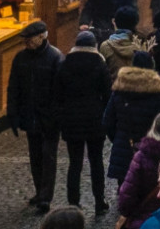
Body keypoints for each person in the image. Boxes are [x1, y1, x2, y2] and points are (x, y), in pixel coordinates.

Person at [53, 27, 116, 215]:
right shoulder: (99, 63)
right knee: (96, 162)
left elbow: (58, 94)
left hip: (72, 121)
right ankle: (99, 201)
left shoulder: (65, 63)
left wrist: (62, 116)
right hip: (94, 120)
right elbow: (108, 94)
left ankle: (73, 202)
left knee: (75, 163)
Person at [8, 21, 63, 213]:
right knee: (35, 156)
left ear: (42, 37)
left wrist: (56, 116)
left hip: (48, 117)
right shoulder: (20, 58)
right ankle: (40, 191)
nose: (27, 43)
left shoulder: (55, 57)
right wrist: (13, 114)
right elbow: (13, 87)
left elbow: (60, 92)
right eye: (25, 40)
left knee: (48, 156)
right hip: (30, 115)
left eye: (30, 39)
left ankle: (45, 197)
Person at [104, 55, 160, 183]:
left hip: (124, 145)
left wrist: (119, 138)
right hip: (149, 148)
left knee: (124, 187)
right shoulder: (157, 94)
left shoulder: (119, 91)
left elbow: (108, 121)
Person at [103, 6, 150, 71]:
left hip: (116, 81)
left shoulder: (105, 46)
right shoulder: (143, 45)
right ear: (136, 23)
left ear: (115, 22)